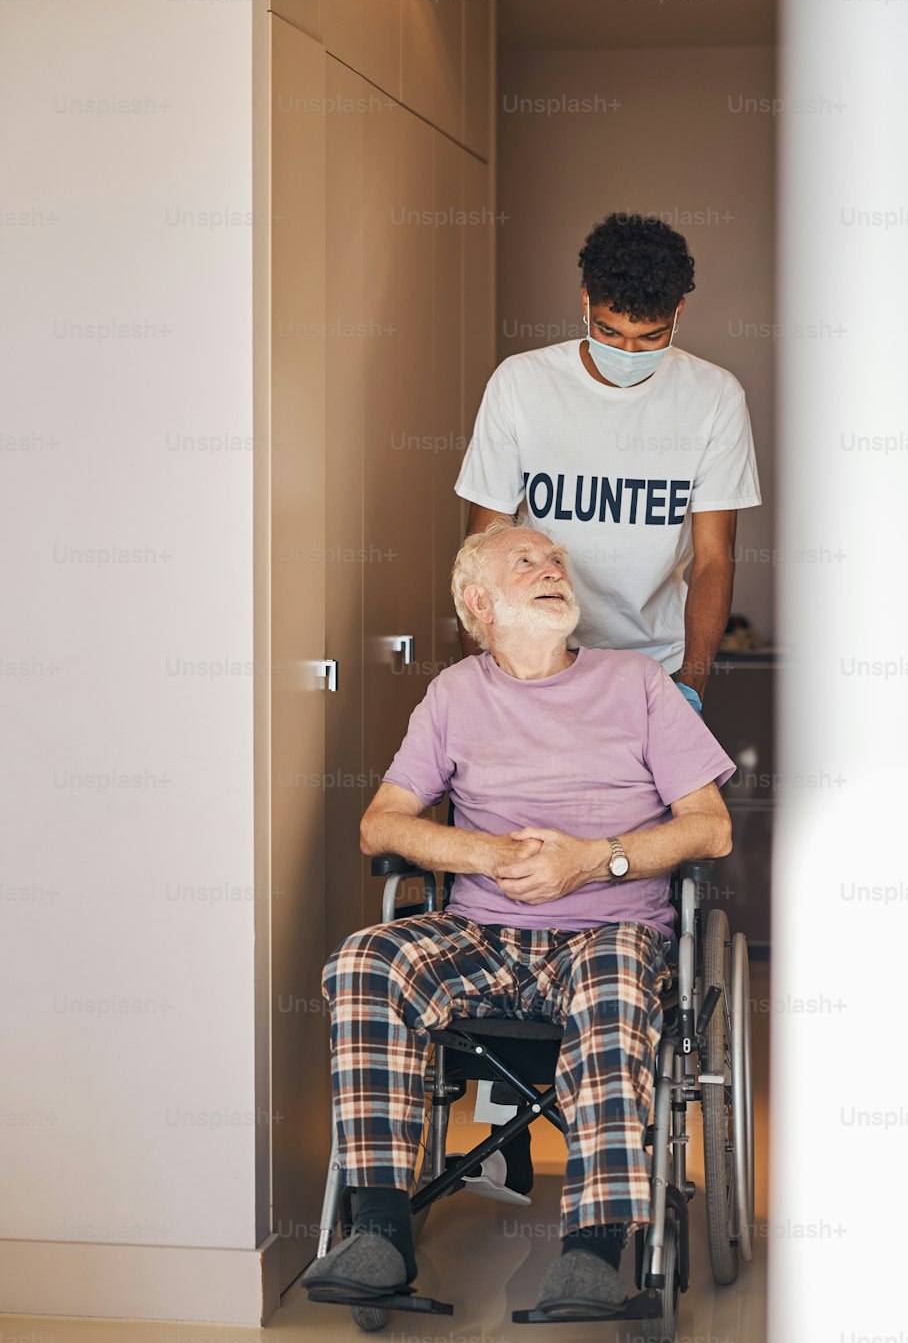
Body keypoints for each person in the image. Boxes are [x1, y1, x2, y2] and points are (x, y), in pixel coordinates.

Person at [303, 523, 735, 1318]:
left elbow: (710, 827)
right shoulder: (455, 694)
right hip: (480, 933)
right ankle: (380, 1233)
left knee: (614, 977)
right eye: (526, 561)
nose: (553, 568)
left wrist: (593, 858)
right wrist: (489, 854)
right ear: (479, 602)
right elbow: (382, 825)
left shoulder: (638, 684)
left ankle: (594, 1249)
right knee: (366, 958)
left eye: (558, 560)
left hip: (608, 936)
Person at [455, 210, 762, 713]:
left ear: (679, 312)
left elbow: (713, 559)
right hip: (531, 660)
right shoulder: (521, 384)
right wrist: (480, 680)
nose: (629, 350)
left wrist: (691, 686)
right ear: (585, 303)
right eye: (610, 331)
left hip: (654, 666)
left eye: (651, 336)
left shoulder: (715, 397)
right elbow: (480, 554)